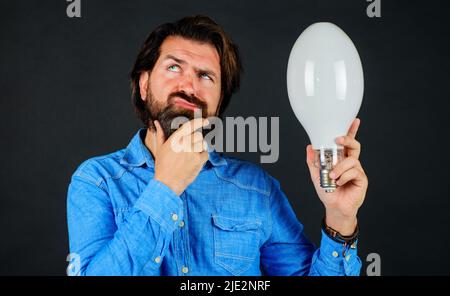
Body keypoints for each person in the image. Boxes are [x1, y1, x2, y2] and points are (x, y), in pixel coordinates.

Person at [67, 15, 368, 276]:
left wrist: (341, 219)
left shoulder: (257, 191)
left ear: (219, 103)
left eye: (206, 76)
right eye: (174, 67)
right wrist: (166, 187)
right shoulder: (97, 181)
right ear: (144, 85)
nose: (189, 85)